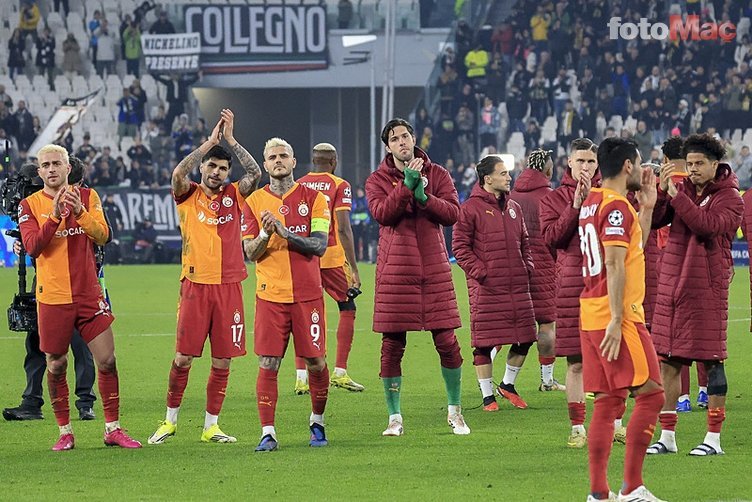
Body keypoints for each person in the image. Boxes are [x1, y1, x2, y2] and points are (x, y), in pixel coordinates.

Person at [147, 109, 261, 445]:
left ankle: (211, 425)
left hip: (229, 286)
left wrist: (231, 141)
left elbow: (255, 172)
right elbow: (177, 173)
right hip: (195, 285)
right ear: (203, 168)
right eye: (211, 166)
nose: (216, 172)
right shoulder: (188, 193)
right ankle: (170, 421)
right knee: (183, 358)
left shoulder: (235, 195)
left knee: (223, 361)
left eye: (222, 168)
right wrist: (208, 144)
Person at [18, 144, 141, 450]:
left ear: (68, 167)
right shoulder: (29, 205)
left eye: (56, 163)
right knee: (56, 364)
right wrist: (54, 218)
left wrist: (79, 213)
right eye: (45, 165)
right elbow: (33, 247)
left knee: (107, 361)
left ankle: (112, 429)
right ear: (39, 171)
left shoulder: (87, 197)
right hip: (53, 297)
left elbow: (103, 235)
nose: (51, 169)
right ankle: (65, 432)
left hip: (88, 294)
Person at [365, 118, 469, 436]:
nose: (402, 142)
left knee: (448, 343)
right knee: (392, 345)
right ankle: (394, 418)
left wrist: (424, 197)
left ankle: (455, 412)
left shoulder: (438, 174)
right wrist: (405, 187)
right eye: (394, 139)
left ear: (414, 139)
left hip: (434, 270)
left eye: (405, 136)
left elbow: (453, 213)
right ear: (388, 147)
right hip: (396, 272)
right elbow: (382, 214)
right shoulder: (377, 180)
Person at [580, 137, 665, 502]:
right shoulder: (615, 207)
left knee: (608, 401)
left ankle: (599, 493)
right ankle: (632, 488)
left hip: (590, 314)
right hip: (619, 317)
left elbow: (632, 250)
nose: (642, 169)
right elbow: (614, 264)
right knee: (652, 395)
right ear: (628, 165)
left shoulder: (593, 202)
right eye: (640, 162)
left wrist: (646, 209)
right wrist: (617, 319)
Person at [648, 133, 743, 457]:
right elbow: (657, 220)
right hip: (674, 288)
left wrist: (676, 196)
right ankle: (667, 437)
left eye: (699, 163)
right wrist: (662, 193)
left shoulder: (731, 198)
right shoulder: (683, 190)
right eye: (689, 164)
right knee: (669, 363)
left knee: (712, 361)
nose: (692, 170)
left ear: (716, 165)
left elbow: (706, 225)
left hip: (706, 291)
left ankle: (713, 439)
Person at [242, 138, 332, 452]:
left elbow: (319, 245)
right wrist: (266, 233)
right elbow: (250, 252)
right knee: (268, 362)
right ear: (265, 165)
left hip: (308, 296)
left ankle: (317, 422)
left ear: (294, 162)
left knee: (316, 362)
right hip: (270, 296)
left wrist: (285, 232)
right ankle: (268, 432)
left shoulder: (315, 199)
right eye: (272, 157)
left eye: (283, 155)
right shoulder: (253, 202)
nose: (278, 160)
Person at [4, 159, 98, 423]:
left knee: (79, 343)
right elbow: (37, 242)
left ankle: (84, 402)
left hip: (79, 283)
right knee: (37, 341)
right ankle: (33, 402)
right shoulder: (36, 204)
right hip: (46, 283)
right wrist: (24, 243)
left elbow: (102, 234)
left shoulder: (84, 199)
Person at [453, 155, 536, 412]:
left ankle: (508, 385)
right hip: (487, 287)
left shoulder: (514, 208)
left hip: (517, 285)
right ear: (487, 179)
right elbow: (460, 247)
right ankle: (488, 396)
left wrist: (527, 267)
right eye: (503, 173)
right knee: (485, 342)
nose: (509, 177)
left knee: (525, 338)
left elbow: (524, 242)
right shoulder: (470, 208)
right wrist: (482, 273)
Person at [540, 138, 607, 448]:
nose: (586, 167)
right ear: (569, 162)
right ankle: (578, 428)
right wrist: (576, 206)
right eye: (580, 161)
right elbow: (552, 238)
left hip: (605, 283)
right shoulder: (553, 199)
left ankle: (614, 424)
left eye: (591, 161)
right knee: (576, 362)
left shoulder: (610, 195)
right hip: (570, 287)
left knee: (610, 359)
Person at [294, 143, 364, 393]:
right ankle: (340, 372)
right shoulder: (339, 185)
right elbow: (343, 228)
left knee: (303, 314)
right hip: (331, 256)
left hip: (305, 258)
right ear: (334, 161)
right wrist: (354, 267)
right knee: (347, 306)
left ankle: (301, 378)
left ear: (314, 161)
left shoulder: (298, 185)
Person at [656, 136, 708, 413]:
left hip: (669, 262)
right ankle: (705, 391)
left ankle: (682, 397)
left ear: (665, 159)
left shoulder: (664, 185)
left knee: (676, 336)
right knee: (704, 329)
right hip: (700, 261)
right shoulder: (698, 185)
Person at [510, 149, 565, 392]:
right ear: (548, 170)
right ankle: (547, 380)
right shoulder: (550, 197)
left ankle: (488, 379)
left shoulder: (511, 196)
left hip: (515, 267)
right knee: (546, 324)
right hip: (544, 268)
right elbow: (557, 235)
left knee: (504, 326)